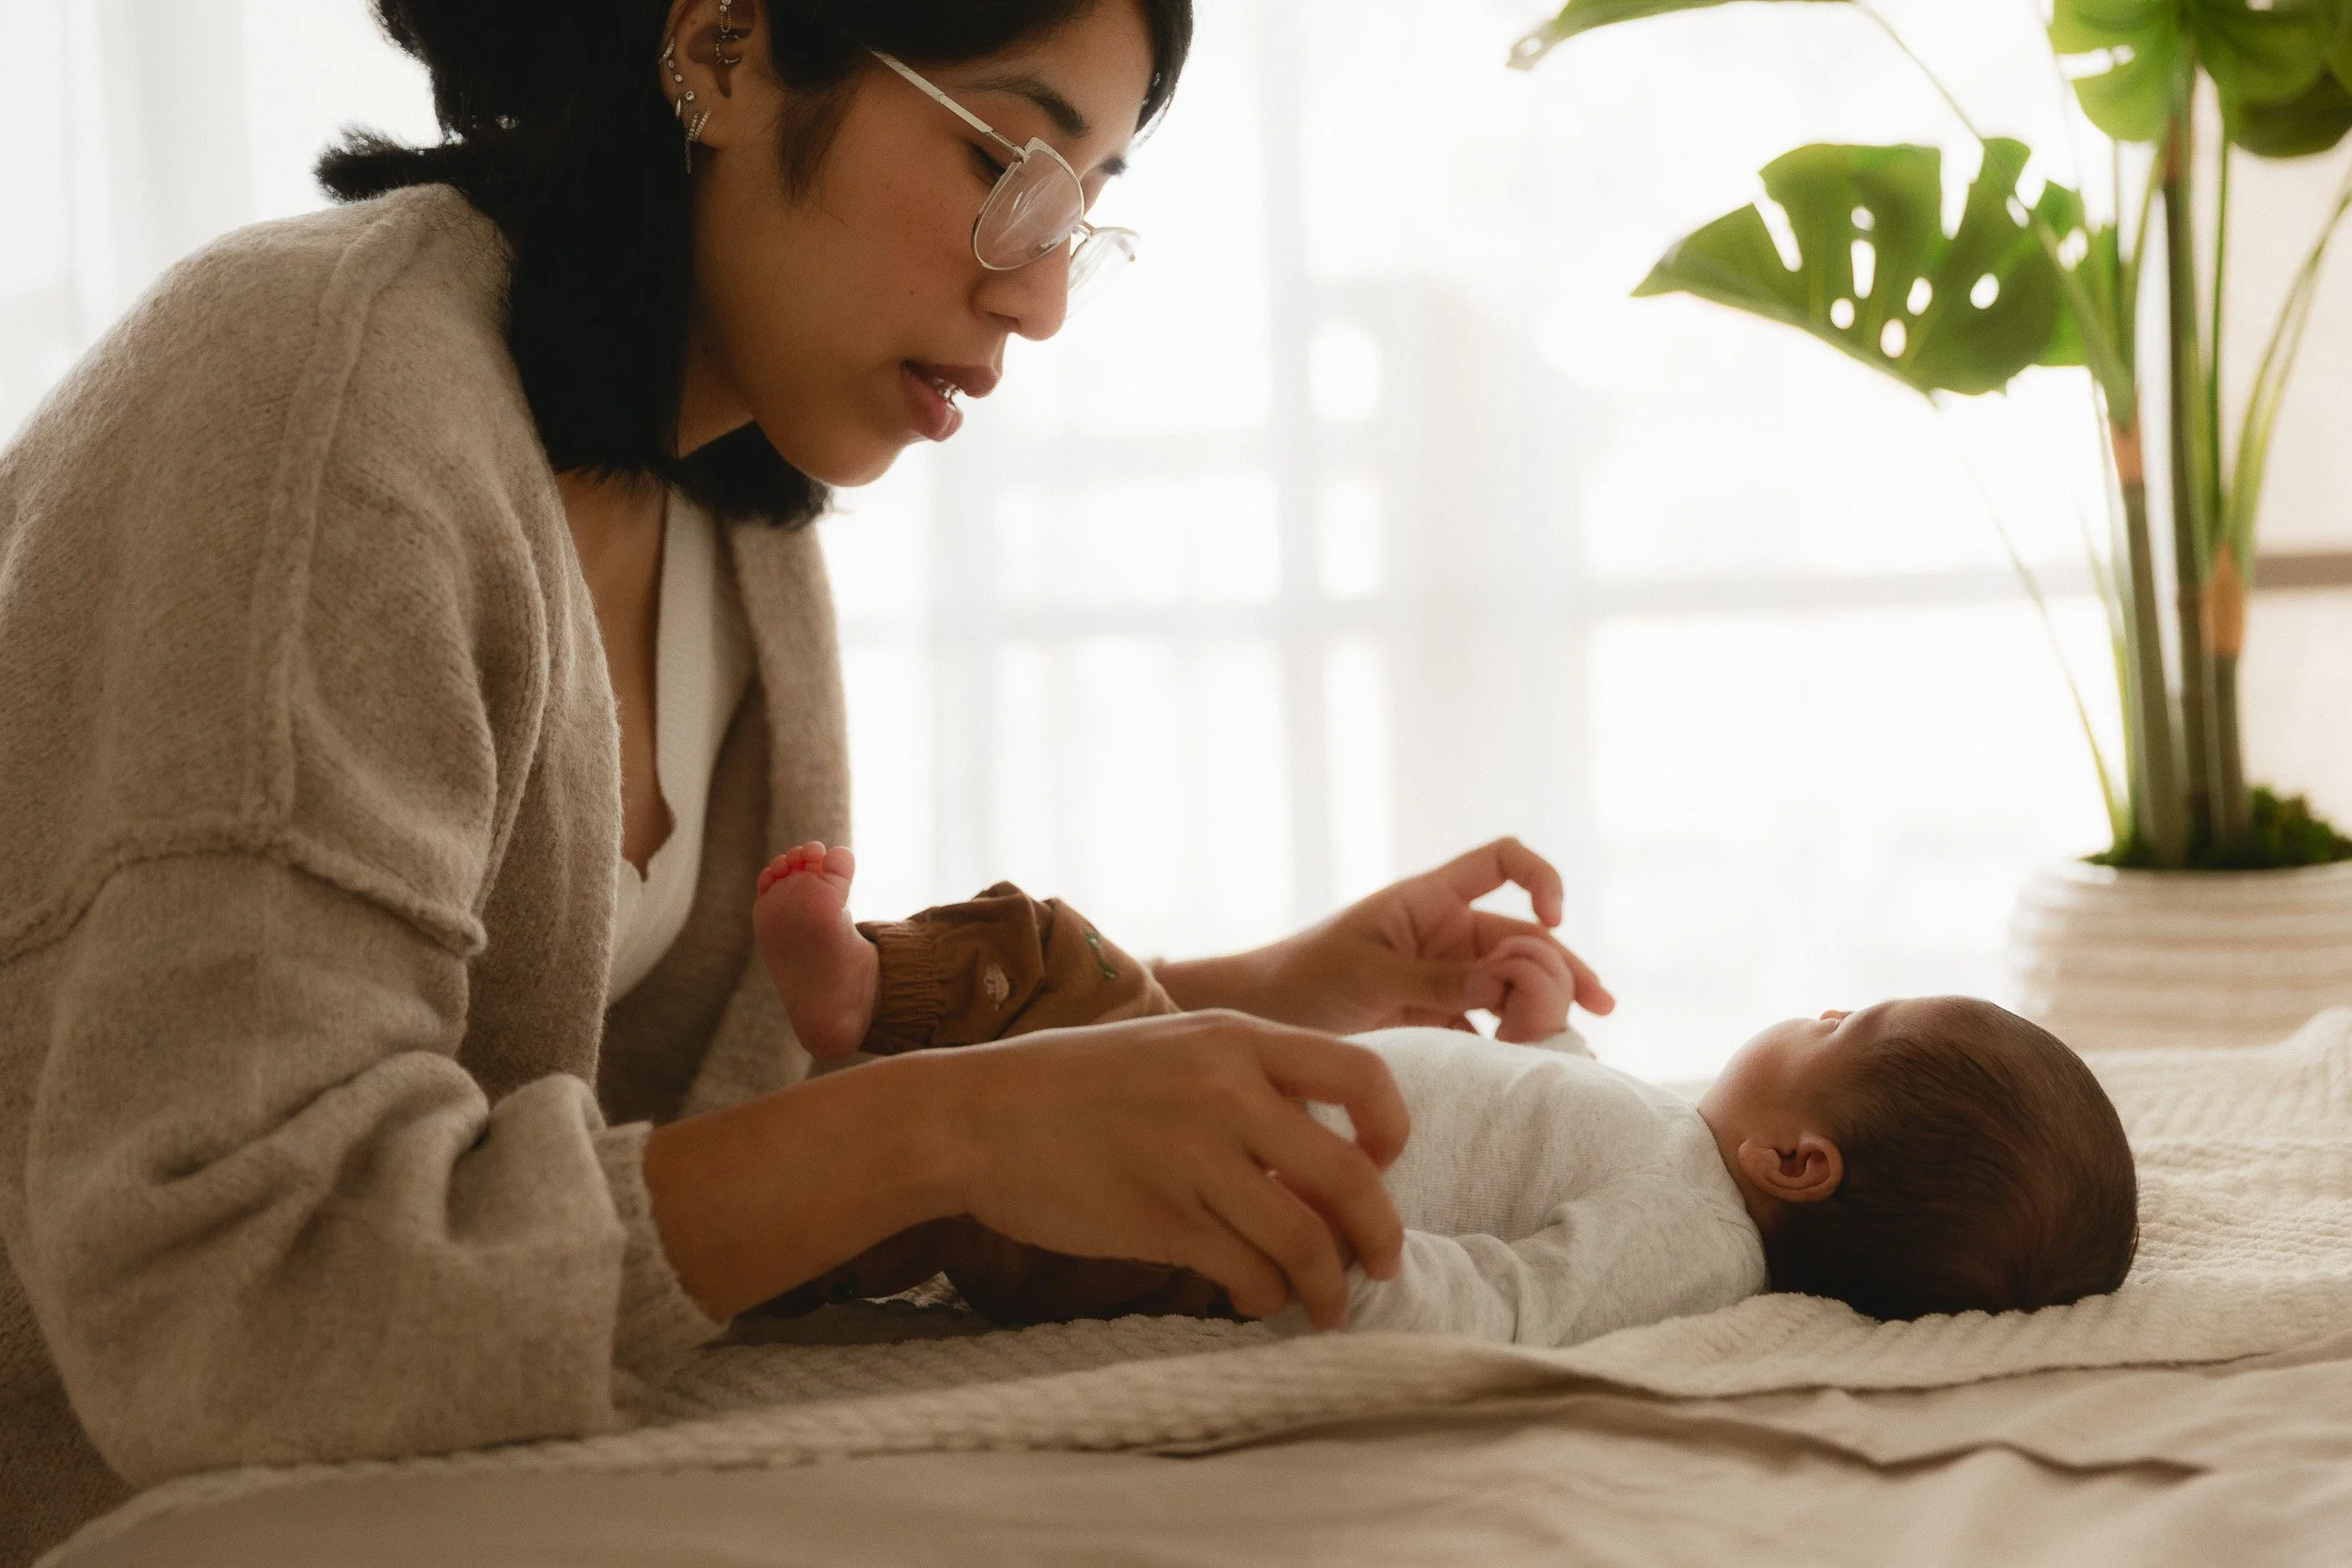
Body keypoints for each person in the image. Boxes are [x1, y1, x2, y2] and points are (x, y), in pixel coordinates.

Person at [0, 3, 1613, 1561]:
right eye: (1014, 171)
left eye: (1090, 213)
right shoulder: (318, 407)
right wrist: (953, 1129)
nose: (1044, 300)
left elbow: (665, 1165)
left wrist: (1259, 996)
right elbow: (235, 1294)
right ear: (721, 47)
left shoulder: (730, 519)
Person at [752, 846, 2141, 1338]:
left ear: (1798, 1160)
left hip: (1202, 1189)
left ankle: (866, 999)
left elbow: (1516, 1303)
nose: (1823, 1001)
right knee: (1004, 1082)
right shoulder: (1671, 1148)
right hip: (1199, 1114)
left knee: (1052, 981)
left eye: (1854, 1022)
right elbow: (1550, 1141)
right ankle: (847, 1063)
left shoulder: (1693, 1248)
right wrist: (1542, 1036)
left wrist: (1344, 1262)